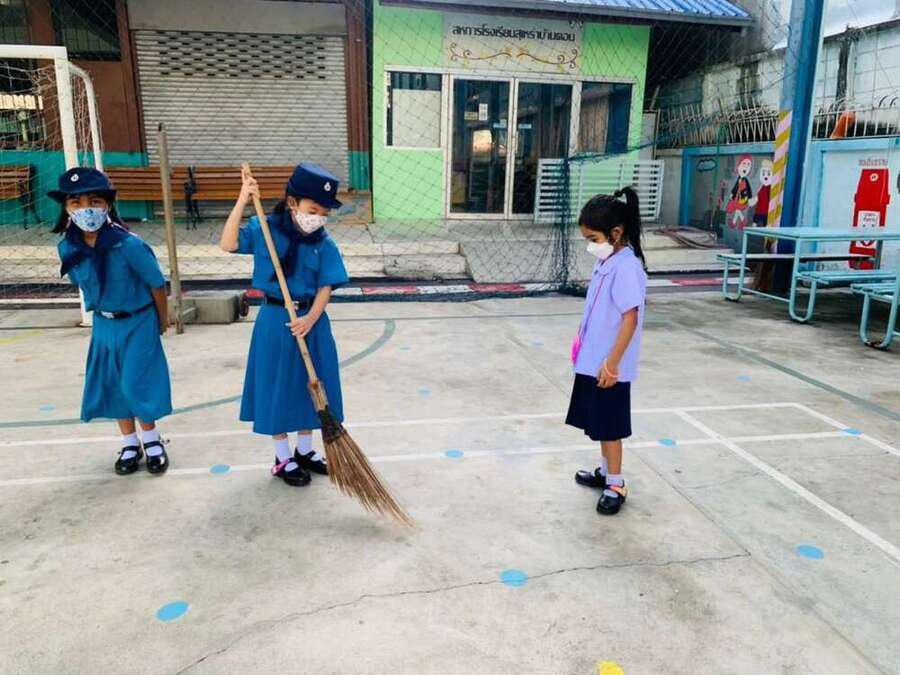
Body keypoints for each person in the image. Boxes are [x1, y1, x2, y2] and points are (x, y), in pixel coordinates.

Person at [220, 163, 349, 487]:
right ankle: (282, 458)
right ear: (292, 202)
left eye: (324, 213)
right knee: (276, 387)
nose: (318, 218)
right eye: (312, 210)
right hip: (275, 321)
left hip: (311, 321)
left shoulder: (324, 243)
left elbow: (326, 286)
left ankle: (304, 451)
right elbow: (228, 243)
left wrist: (310, 319)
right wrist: (242, 199)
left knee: (312, 385)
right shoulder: (264, 229)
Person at [51, 167, 172, 475]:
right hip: (104, 324)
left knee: (135, 382)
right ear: (66, 208)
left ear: (107, 205)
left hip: (138, 321)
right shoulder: (68, 247)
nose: (85, 209)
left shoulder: (128, 244)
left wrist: (162, 320)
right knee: (113, 384)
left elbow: (157, 284)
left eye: (94, 201)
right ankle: (130, 443)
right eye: (76, 203)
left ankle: (152, 439)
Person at [567, 187, 647, 515]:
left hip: (609, 365)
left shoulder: (626, 266)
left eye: (594, 238)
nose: (591, 245)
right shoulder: (608, 261)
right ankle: (604, 472)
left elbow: (631, 318)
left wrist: (612, 364)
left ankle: (616, 483)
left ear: (616, 233)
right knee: (599, 422)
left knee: (610, 427)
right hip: (594, 360)